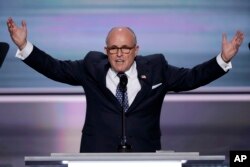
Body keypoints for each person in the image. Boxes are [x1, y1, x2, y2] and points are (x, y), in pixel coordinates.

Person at [6, 17, 244, 152]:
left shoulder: (157, 69)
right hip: (96, 157)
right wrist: (25, 46)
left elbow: (193, 77)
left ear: (136, 50)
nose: (119, 54)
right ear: (106, 50)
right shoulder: (91, 67)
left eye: (125, 48)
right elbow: (54, 68)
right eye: (114, 49)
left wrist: (222, 59)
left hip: (145, 157)